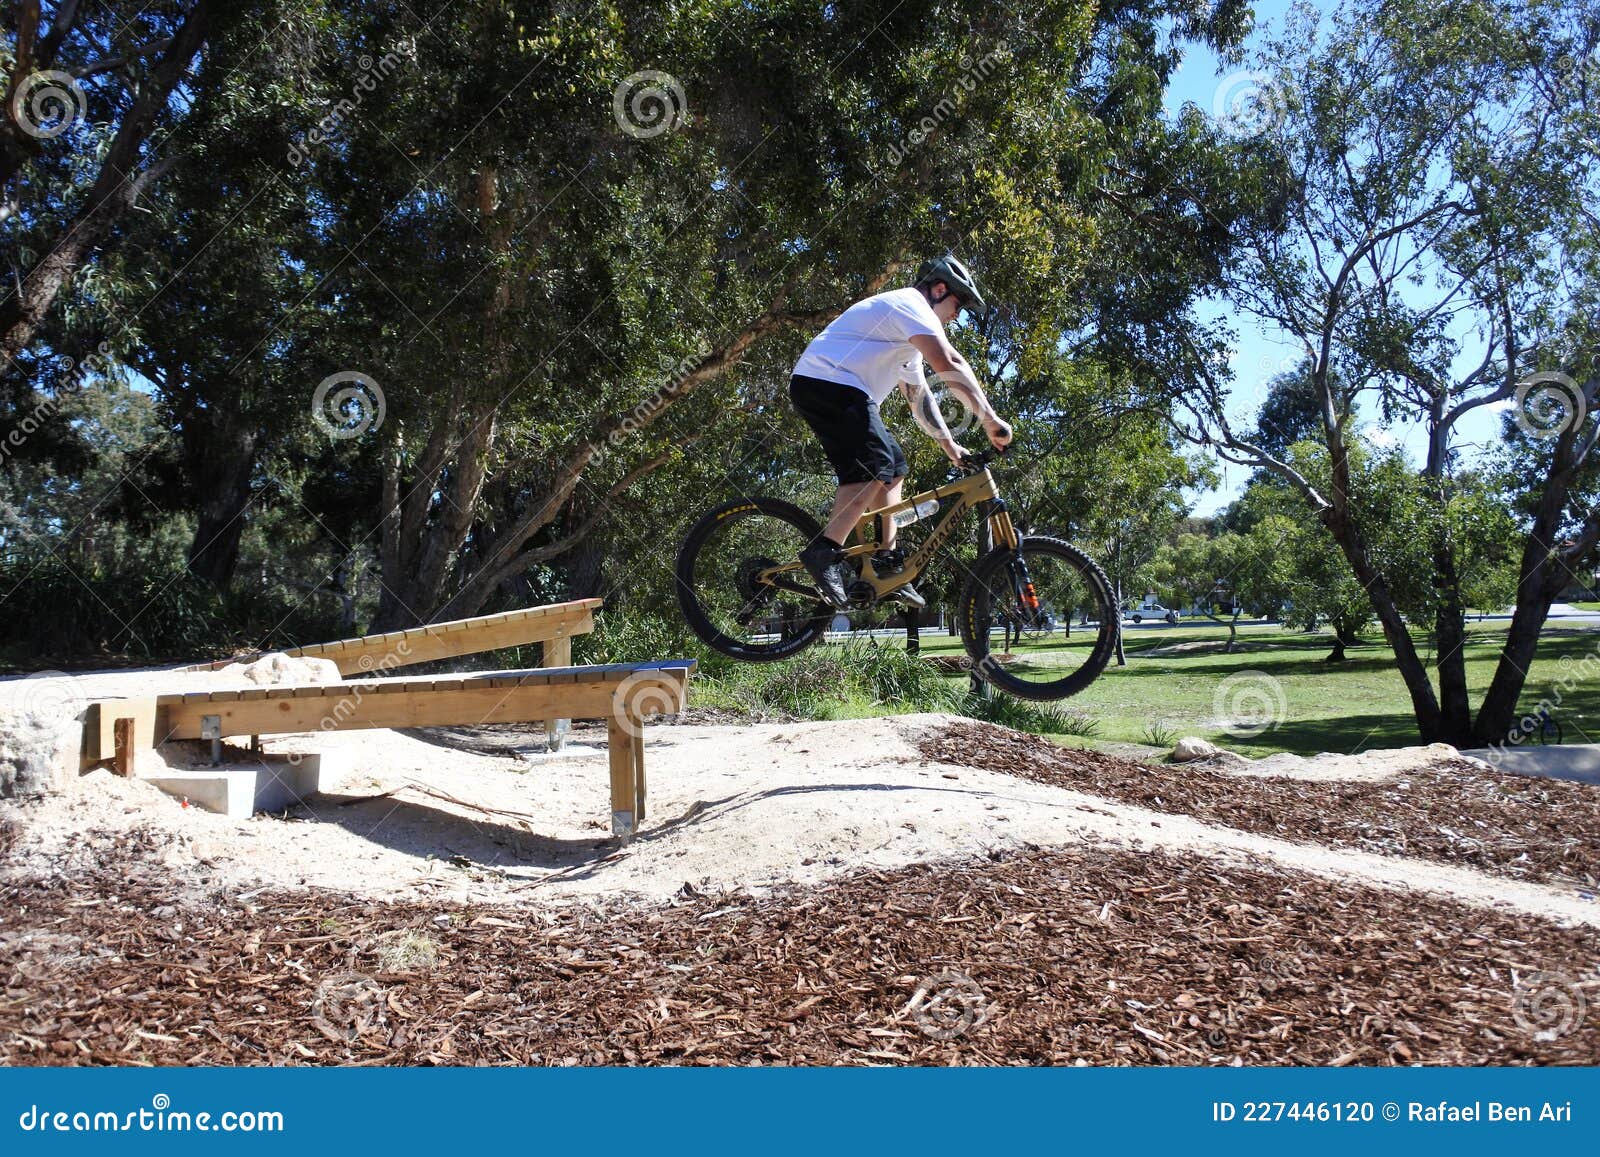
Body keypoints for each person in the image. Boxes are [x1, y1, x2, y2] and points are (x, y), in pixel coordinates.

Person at [789, 255, 1013, 609]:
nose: (957, 315)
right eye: (958, 304)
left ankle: (886, 563)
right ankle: (824, 551)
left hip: (839, 389)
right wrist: (989, 420)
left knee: (894, 466)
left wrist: (950, 445)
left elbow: (919, 398)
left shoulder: (906, 341)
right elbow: (950, 363)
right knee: (874, 463)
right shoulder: (910, 304)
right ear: (939, 290)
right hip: (826, 381)